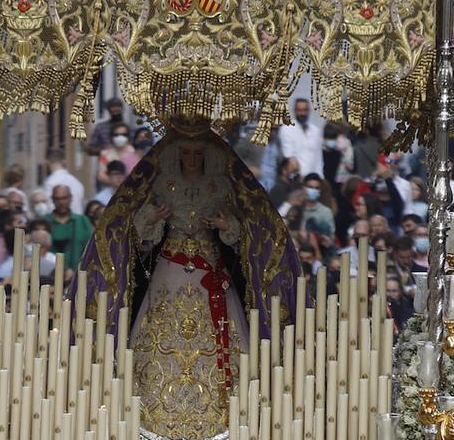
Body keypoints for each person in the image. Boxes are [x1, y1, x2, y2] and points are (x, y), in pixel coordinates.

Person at [73, 132, 300, 438]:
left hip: (210, 268)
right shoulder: (163, 184)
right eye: (187, 153)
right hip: (171, 267)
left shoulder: (220, 186)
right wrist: (153, 217)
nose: (192, 159)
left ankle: (224, 413)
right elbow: (139, 230)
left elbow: (241, 229)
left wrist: (224, 226)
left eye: (197, 154)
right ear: (177, 155)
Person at [48, 185, 93, 269]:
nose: (61, 202)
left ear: (70, 198)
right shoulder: (45, 221)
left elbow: (90, 249)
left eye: (64, 198)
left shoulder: (83, 221)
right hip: (49, 275)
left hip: (79, 275)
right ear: (52, 199)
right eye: (57, 199)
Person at [278, 98, 325, 178]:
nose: (302, 113)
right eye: (299, 110)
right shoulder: (287, 129)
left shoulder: (315, 131)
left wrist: (320, 177)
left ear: (309, 111)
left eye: (305, 110)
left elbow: (318, 157)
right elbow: (289, 156)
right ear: (295, 111)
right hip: (295, 179)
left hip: (314, 179)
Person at [43, 148, 85, 215]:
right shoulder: (77, 182)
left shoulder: (50, 182)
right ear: (63, 161)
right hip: (77, 221)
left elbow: (49, 208)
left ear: (47, 162)